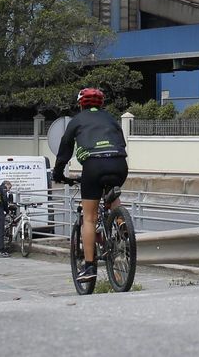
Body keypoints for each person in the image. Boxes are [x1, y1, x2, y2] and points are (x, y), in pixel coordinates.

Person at [52, 88, 129, 283]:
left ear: (81, 104)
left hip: (94, 166)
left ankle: (88, 267)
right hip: (119, 164)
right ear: (101, 104)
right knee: (111, 192)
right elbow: (122, 143)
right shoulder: (111, 119)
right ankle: (121, 222)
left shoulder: (77, 120)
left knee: (89, 218)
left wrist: (58, 173)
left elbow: (65, 149)